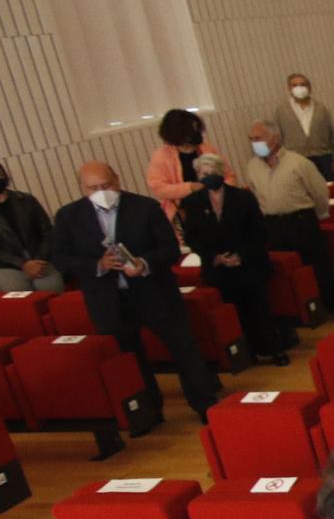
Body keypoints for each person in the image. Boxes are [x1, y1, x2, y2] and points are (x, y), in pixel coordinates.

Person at [48, 163, 220, 419]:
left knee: (183, 347)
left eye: (106, 186)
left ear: (117, 180)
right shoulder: (68, 216)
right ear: (82, 188)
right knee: (128, 358)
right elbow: (61, 258)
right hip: (107, 299)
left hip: (154, 292)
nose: (101, 192)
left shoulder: (145, 207)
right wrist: (98, 265)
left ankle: (205, 405)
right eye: (93, 188)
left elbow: (170, 248)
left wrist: (145, 263)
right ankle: (147, 413)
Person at [179, 152, 286, 366]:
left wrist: (241, 255)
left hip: (249, 264)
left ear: (221, 173)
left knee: (259, 310)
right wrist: (215, 258)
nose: (208, 176)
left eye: (212, 172)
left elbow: (259, 232)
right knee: (232, 314)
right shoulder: (192, 202)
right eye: (203, 173)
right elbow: (192, 236)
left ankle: (274, 350)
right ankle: (246, 354)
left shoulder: (242, 197)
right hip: (218, 268)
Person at [240, 120, 334, 324]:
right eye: (251, 139)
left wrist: (318, 214)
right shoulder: (252, 166)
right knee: (285, 270)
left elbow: (319, 192)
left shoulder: (298, 162)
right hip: (273, 223)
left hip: (301, 220)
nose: (254, 143)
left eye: (258, 138)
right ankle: (302, 313)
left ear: (274, 138)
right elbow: (255, 194)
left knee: (319, 266)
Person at [0, 159, 60, 293]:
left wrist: (39, 260)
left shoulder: (27, 200)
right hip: (7, 265)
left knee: (52, 290)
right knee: (21, 302)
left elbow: (47, 231)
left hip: (40, 260)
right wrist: (22, 264)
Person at [146, 108, 233, 223]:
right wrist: (190, 187)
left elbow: (229, 176)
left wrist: (221, 190)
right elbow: (159, 188)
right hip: (184, 212)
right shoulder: (161, 156)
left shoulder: (207, 149)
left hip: (216, 207)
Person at [274, 73, 334, 180]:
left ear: (309, 87)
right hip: (296, 160)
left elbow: (332, 134)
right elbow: (278, 138)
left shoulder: (321, 108)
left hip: (323, 158)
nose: (299, 88)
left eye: (302, 84)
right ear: (289, 89)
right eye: (295, 85)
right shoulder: (281, 111)